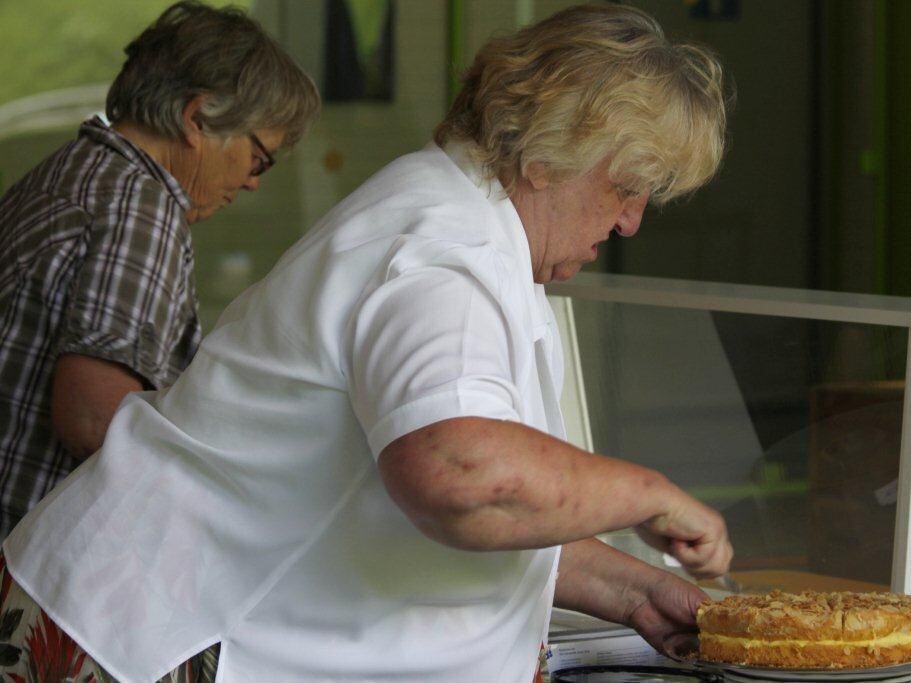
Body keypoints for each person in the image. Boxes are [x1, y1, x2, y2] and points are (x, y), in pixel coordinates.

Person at [1, 4, 731, 681]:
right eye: (626, 186)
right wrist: (647, 494)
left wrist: (635, 592)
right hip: (152, 636)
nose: (632, 220)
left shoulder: (464, 224)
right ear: (548, 155)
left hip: (153, 612)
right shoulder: (442, 249)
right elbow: (460, 474)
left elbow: (492, 498)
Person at [0, 1, 320, 539]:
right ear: (197, 119)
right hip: (25, 556)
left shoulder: (75, 169)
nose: (252, 181)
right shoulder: (139, 211)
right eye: (259, 157)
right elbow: (92, 419)